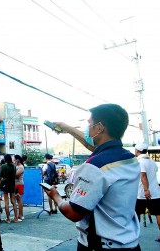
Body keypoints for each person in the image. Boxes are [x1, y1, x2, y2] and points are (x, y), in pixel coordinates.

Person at [45, 104, 141, 250]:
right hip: (131, 243)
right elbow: (96, 148)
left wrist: (55, 196)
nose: (87, 128)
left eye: (89, 124)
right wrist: (70, 129)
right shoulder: (130, 159)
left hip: (100, 245)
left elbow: (74, 213)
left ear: (100, 127)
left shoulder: (95, 166)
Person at [134, 142, 160, 242]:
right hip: (155, 192)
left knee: (136, 214)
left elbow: (143, 175)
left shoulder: (140, 162)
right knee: (158, 214)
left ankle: (134, 235)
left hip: (142, 194)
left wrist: (146, 189)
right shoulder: (152, 162)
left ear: (137, 151)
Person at [0, 154, 18, 223]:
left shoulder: (3, 166)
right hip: (12, 184)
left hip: (5, 185)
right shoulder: (14, 166)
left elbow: (0, 176)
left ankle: (8, 219)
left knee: (6, 202)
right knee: (13, 202)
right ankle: (16, 218)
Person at [14, 154, 26, 221]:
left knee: (19, 199)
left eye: (15, 159)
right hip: (15, 184)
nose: (14, 161)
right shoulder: (17, 166)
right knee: (16, 199)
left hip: (19, 184)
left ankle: (21, 214)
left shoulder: (21, 167)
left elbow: (16, 175)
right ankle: (18, 214)